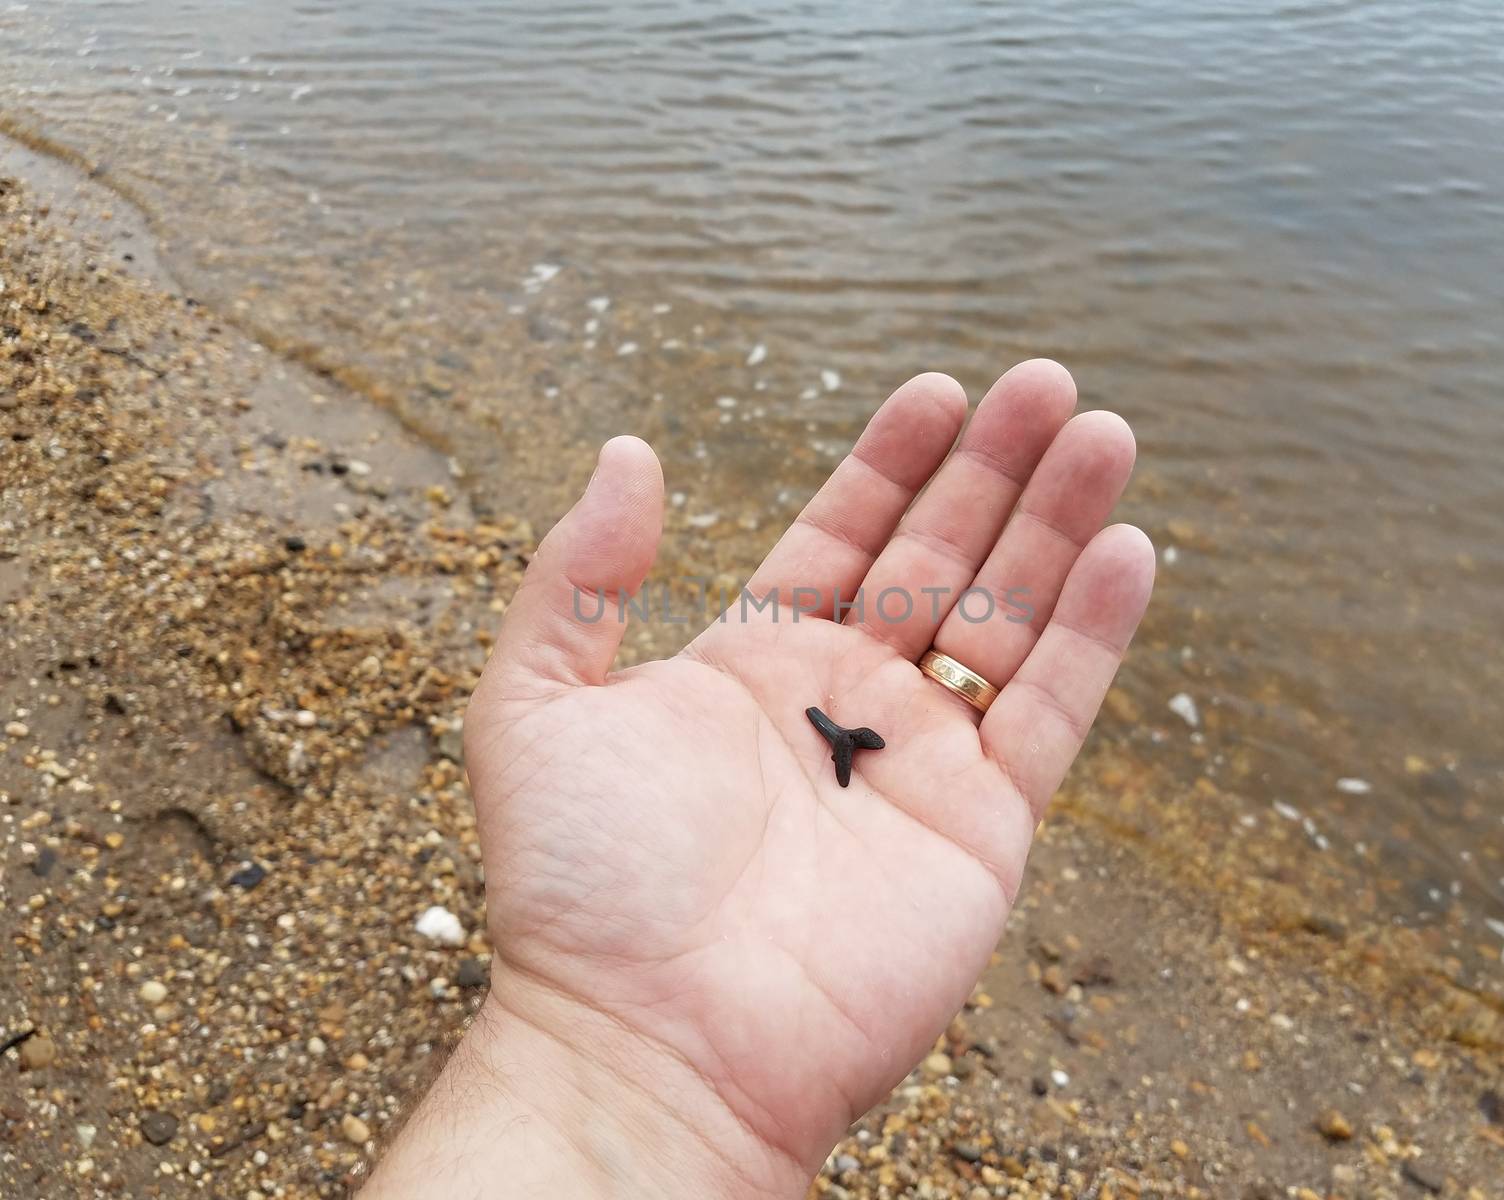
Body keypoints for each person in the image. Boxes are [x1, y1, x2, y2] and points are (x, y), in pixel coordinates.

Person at [360, 360, 1154, 1198]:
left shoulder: (849, 744)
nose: (842, 744)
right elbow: (839, 734)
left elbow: (844, 737)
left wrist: (582, 1055)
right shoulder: (841, 740)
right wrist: (586, 1031)